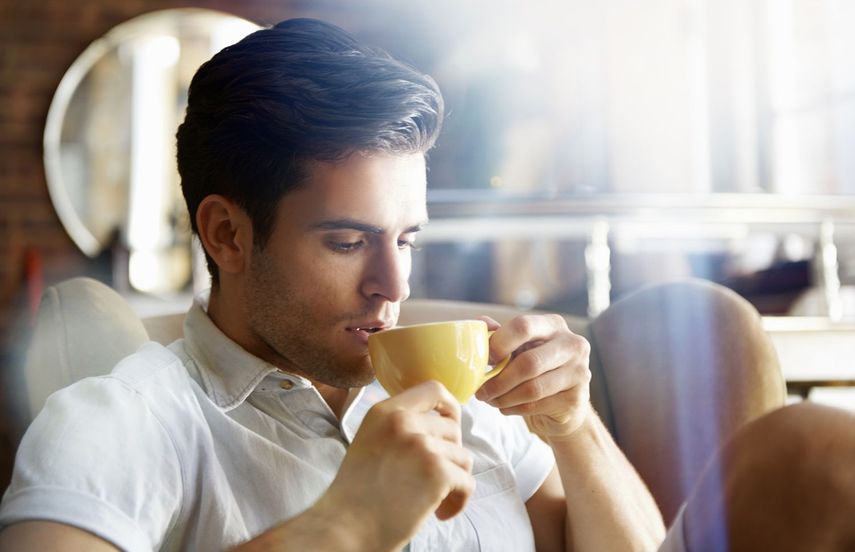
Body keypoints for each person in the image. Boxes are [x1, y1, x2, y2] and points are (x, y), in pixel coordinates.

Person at [1, 17, 854, 552]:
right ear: (227, 233)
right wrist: (344, 524)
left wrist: (574, 429)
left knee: (816, 451)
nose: (392, 284)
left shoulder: (472, 397)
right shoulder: (124, 420)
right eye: (346, 241)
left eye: (406, 239)